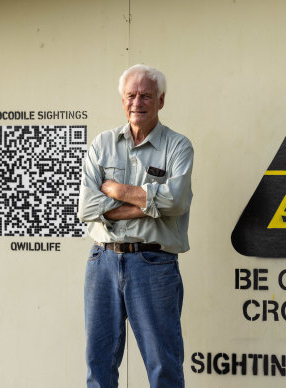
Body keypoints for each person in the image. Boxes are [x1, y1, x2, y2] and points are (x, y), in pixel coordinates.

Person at [78, 64, 193, 388]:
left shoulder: (178, 146)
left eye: (146, 95)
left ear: (161, 100)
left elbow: (177, 202)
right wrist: (146, 205)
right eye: (131, 95)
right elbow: (86, 207)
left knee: (163, 365)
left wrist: (115, 191)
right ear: (122, 99)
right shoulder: (102, 144)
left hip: (153, 264)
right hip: (102, 261)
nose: (137, 102)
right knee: (98, 363)